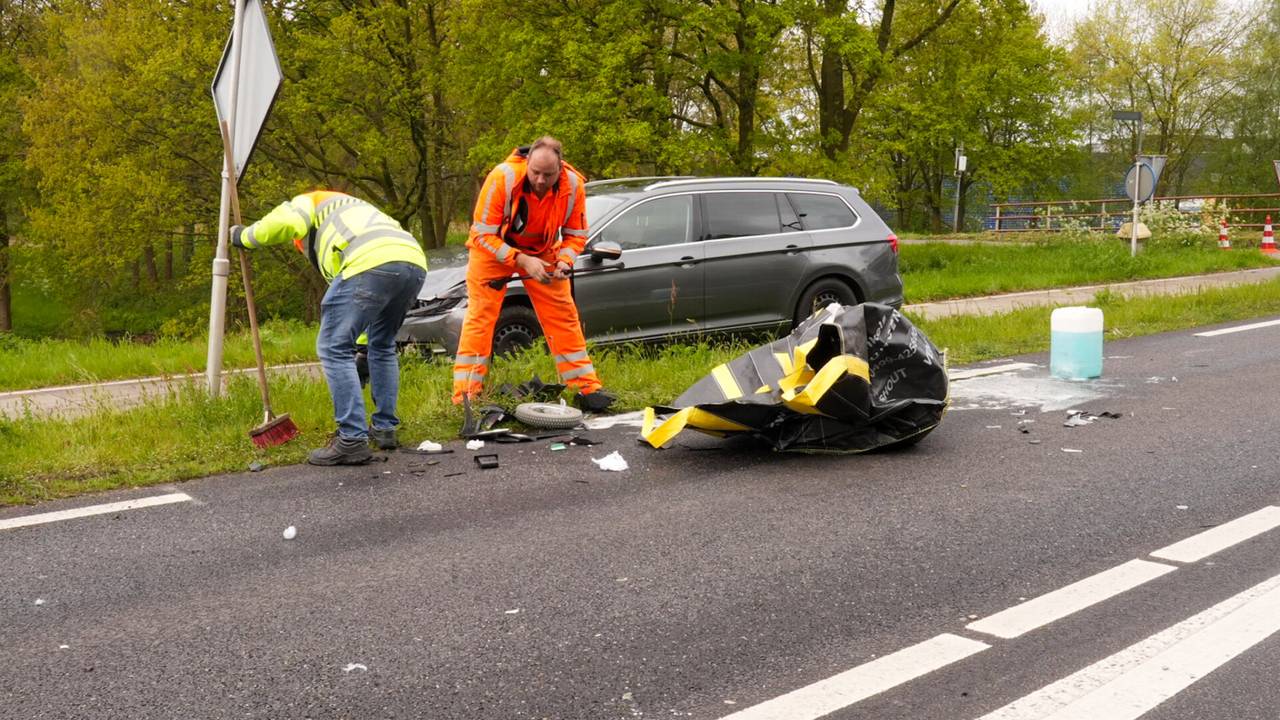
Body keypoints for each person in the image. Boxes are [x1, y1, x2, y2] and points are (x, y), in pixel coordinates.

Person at [231, 191, 427, 465]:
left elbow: (284, 222)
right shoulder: (352, 209)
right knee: (379, 345)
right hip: (412, 262)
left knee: (333, 348)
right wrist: (361, 344)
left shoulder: (308, 202)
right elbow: (361, 306)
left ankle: (352, 440)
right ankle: (385, 430)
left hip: (369, 261)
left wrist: (245, 236)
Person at [453, 136, 616, 412]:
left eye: (548, 175)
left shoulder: (574, 185)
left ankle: (586, 388)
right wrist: (521, 260)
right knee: (480, 320)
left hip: (543, 252)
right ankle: (466, 396)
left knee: (564, 317)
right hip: (493, 250)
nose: (540, 180)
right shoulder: (502, 178)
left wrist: (565, 261)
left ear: (560, 169)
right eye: (535, 173)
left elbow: (576, 235)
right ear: (527, 164)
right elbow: (481, 234)